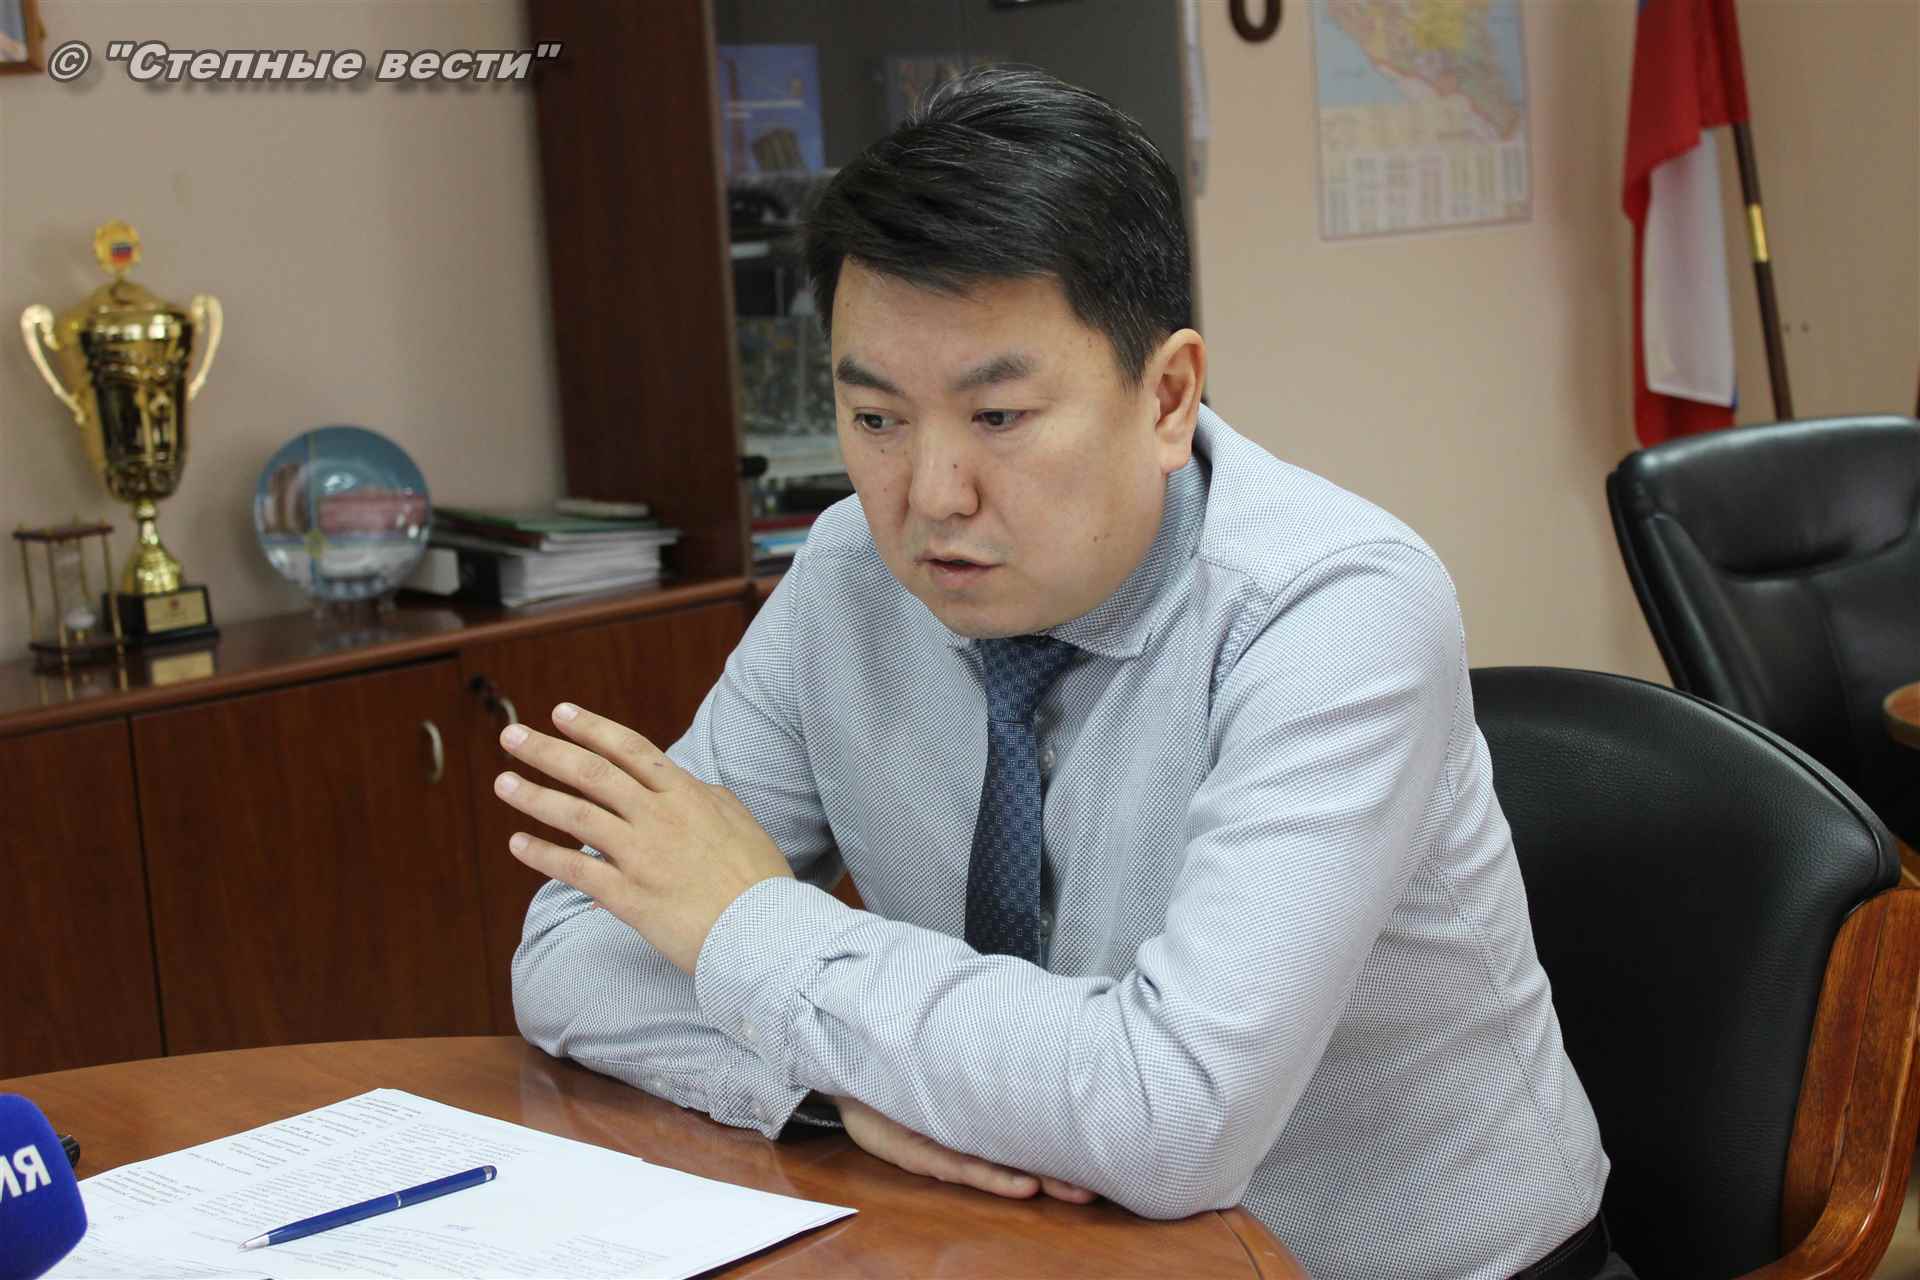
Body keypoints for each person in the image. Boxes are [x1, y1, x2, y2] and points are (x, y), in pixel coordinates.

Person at [503, 66, 1630, 1280]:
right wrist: (830, 1089)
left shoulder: (1335, 609)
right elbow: (569, 952)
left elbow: (1173, 1114)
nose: (931, 495)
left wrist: (749, 927)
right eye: (876, 419)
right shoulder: (847, 579)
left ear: (1167, 396)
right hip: (1030, 1252)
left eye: (998, 418)